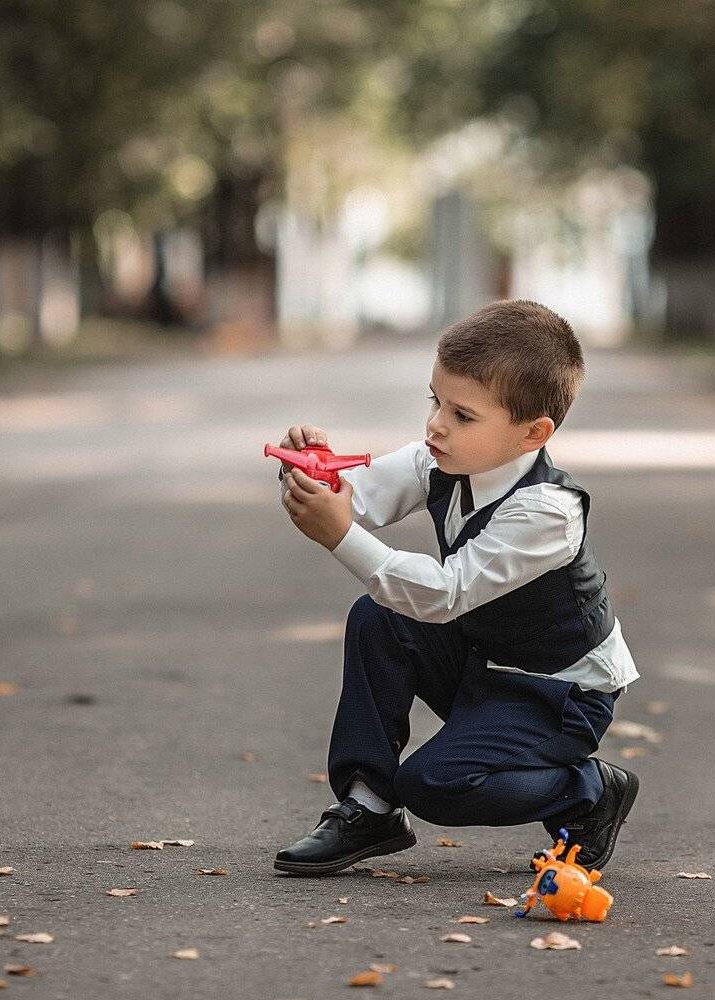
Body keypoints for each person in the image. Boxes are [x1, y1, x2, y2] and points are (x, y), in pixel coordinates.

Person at [272, 299, 639, 877]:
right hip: (482, 661)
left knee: (434, 784)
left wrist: (337, 533)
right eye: (435, 401)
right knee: (379, 617)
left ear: (532, 433)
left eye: (462, 415)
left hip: (556, 694)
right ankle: (369, 808)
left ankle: (587, 788)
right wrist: (314, 471)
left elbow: (444, 593)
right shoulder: (439, 461)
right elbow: (358, 497)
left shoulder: (547, 512)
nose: (436, 424)